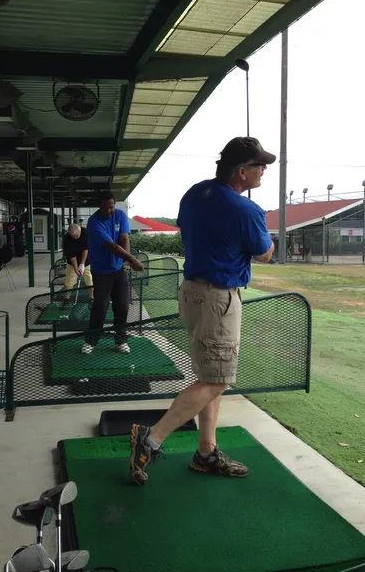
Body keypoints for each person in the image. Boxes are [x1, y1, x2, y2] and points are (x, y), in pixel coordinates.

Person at [130, 136, 276, 486]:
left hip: (192, 294)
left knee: (210, 379)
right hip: (218, 299)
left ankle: (206, 453)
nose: (264, 172)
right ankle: (151, 438)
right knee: (217, 380)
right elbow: (264, 253)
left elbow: (189, 226)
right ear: (242, 172)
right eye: (260, 166)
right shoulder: (246, 210)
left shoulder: (195, 193)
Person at [81, 191, 144, 355]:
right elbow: (112, 246)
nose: (109, 210)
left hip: (118, 270)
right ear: (99, 206)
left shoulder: (120, 215)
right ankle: (91, 341)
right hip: (101, 271)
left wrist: (127, 262)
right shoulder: (94, 222)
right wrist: (132, 259)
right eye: (105, 207)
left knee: (122, 305)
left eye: (111, 206)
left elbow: (124, 239)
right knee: (100, 305)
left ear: (114, 204)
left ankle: (120, 340)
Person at [62, 223, 93, 308]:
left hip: (86, 260)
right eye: (73, 236)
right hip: (72, 262)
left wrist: (82, 264)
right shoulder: (67, 239)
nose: (75, 238)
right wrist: (76, 268)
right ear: (69, 234)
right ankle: (66, 299)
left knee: (89, 279)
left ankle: (91, 298)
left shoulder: (85, 233)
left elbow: (86, 249)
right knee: (69, 281)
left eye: (77, 235)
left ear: (80, 231)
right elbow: (72, 256)